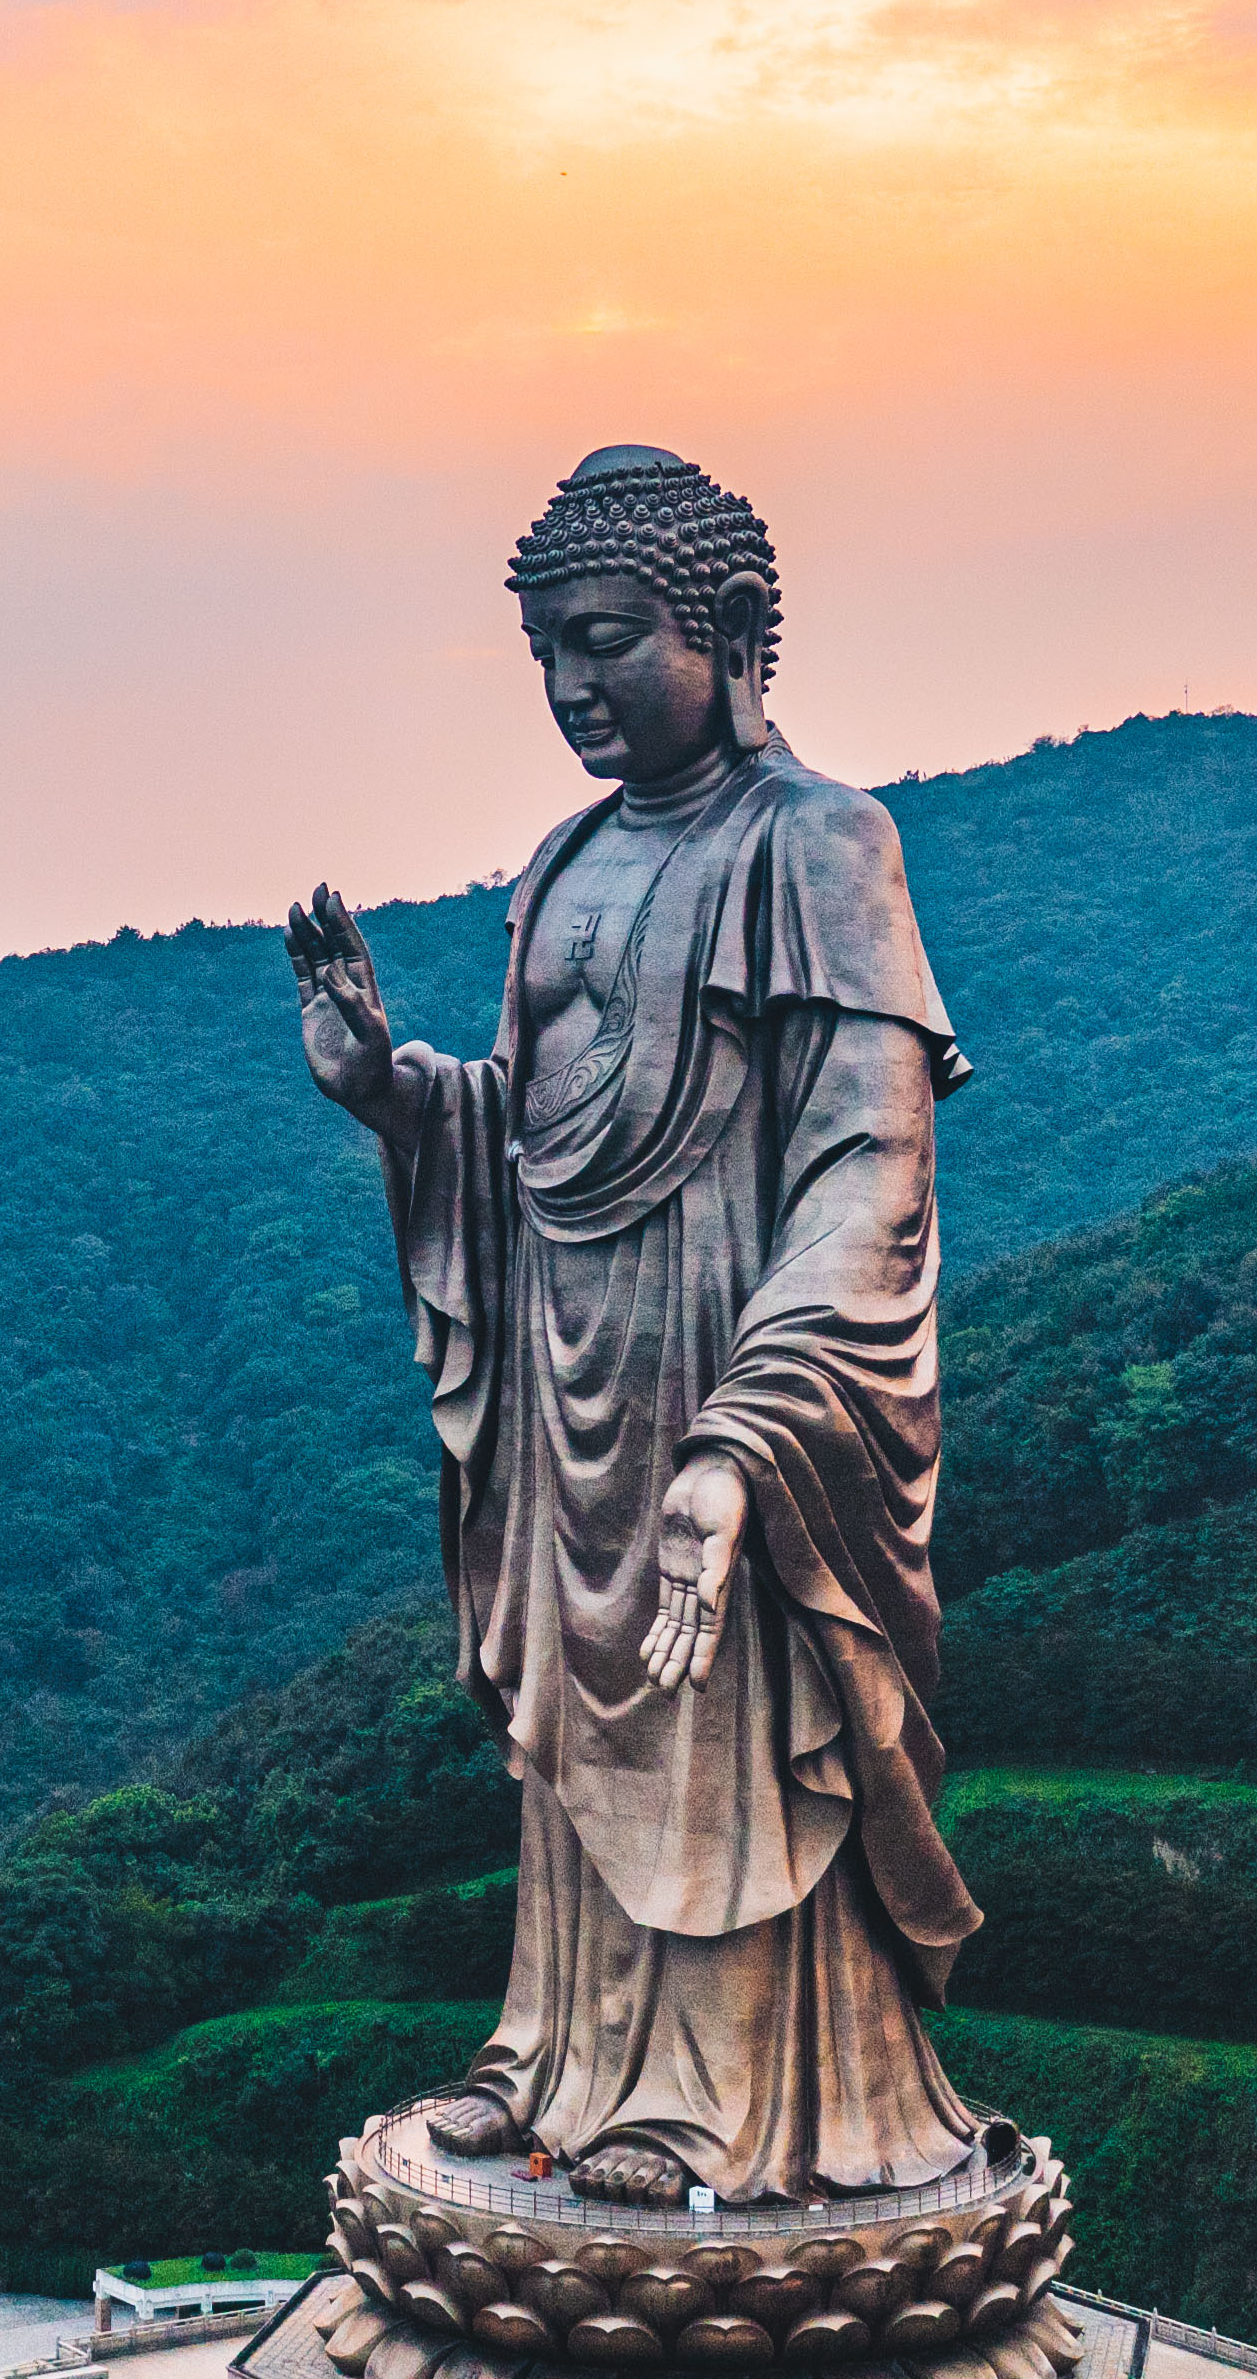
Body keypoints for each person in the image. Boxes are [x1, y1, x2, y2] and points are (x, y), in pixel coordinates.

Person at [285, 446, 985, 2206]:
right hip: (572, 1375)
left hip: (736, 1370)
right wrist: (397, 1097)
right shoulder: (571, 855)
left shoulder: (819, 841)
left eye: (605, 640)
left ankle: (728, 2104)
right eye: (546, 652)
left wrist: (748, 1441)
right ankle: (560, 2057)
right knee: (586, 1739)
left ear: (727, 629)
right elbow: (532, 1133)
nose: (571, 686)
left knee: (724, 1723)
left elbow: (871, 1171)